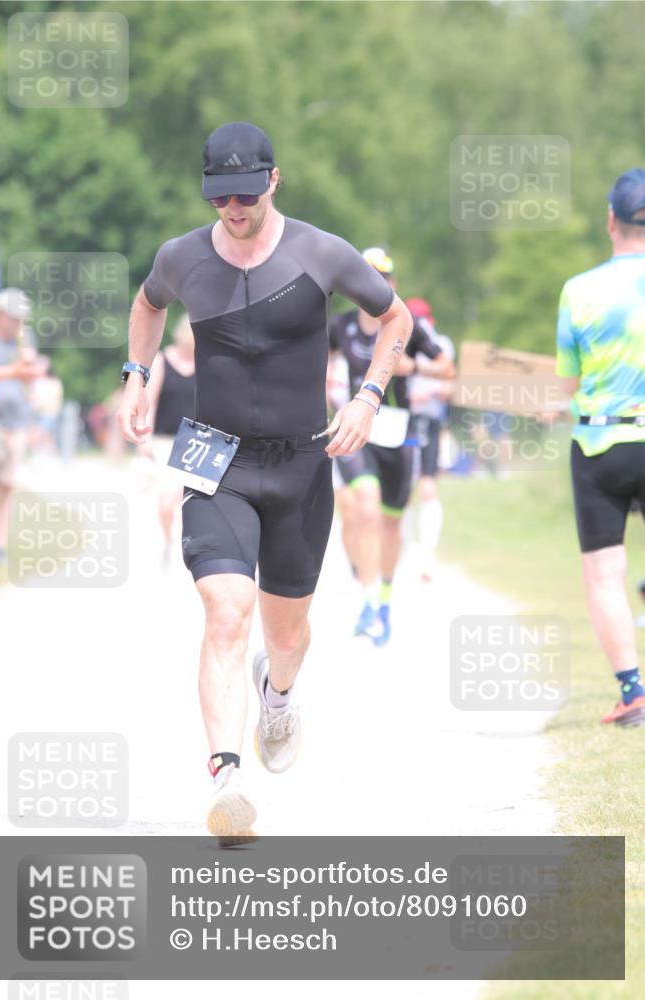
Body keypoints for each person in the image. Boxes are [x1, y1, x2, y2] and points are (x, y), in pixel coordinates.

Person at [117, 122, 413, 840]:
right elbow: (148, 304)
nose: (235, 208)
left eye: (247, 194)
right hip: (212, 455)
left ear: (274, 181)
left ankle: (277, 694)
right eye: (222, 197)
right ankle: (227, 779)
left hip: (301, 460)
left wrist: (368, 395)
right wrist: (138, 373)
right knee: (225, 609)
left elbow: (394, 318)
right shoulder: (181, 257)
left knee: (287, 634)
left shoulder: (321, 252)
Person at [556, 167, 645, 728]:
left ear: (611, 220)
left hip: (599, 443)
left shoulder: (579, 289)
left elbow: (566, 385)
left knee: (605, 575)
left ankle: (634, 692)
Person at [328, 249, 454, 645]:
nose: (375, 284)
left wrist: (411, 367)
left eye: (383, 277)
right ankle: (366, 599)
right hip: (355, 428)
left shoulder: (408, 326)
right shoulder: (341, 326)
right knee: (363, 505)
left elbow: (448, 368)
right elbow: (320, 367)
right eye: (367, 277)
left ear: (393, 283)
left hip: (399, 433)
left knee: (389, 522)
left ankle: (382, 600)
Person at [0, 288, 37, 564]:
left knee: (7, 486)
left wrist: (29, 361)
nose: (19, 322)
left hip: (17, 423)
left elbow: (31, 380)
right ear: (0, 315)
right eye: (15, 317)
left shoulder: (25, 341)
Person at [138, 312, 195, 566]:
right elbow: (150, 399)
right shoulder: (163, 360)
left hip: (196, 441)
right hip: (164, 439)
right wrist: (144, 436)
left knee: (189, 499)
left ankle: (187, 545)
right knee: (167, 498)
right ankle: (168, 540)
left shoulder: (206, 362)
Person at [406, 297, 455, 582]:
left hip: (430, 421)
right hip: (406, 421)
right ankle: (407, 549)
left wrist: (432, 393)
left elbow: (450, 383)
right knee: (404, 489)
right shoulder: (397, 339)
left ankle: (427, 554)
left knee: (427, 487)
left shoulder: (442, 344)